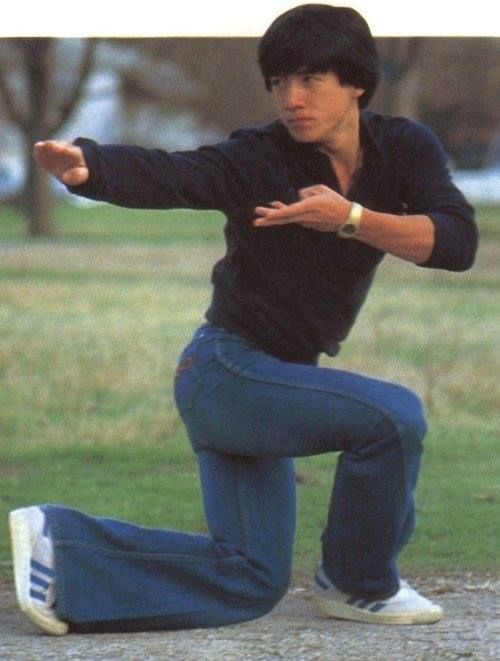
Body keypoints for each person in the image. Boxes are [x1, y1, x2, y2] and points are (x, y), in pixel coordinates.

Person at [10, 4, 477, 636]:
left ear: (357, 83)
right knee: (394, 418)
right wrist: (93, 166)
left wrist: (350, 218)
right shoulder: (261, 158)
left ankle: (61, 549)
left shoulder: (403, 148)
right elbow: (180, 175)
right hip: (227, 373)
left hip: (276, 384)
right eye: (279, 82)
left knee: (250, 579)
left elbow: (455, 242)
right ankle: (359, 584)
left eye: (309, 79)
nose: (291, 99)